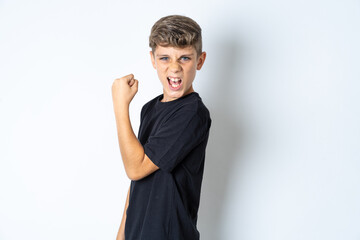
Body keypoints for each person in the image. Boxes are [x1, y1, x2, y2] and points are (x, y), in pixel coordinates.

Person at [111, 15, 211, 240]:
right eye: (165, 58)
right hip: (139, 232)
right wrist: (121, 234)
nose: (174, 68)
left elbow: (136, 167)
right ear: (153, 60)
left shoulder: (192, 113)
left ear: (200, 61)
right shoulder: (149, 109)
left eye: (184, 58)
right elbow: (137, 177)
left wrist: (120, 106)